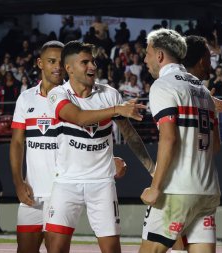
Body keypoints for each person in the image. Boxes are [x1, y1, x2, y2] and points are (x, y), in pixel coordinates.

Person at [10, 41, 136, 253]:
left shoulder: (77, 94)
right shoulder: (30, 98)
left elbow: (99, 134)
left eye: (60, 61)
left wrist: (108, 159)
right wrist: (18, 182)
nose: (57, 66)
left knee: (57, 247)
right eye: (52, 61)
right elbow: (16, 143)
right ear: (40, 63)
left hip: (62, 184)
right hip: (36, 189)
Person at [46, 41, 155, 253]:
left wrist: (152, 168)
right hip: (67, 182)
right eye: (85, 62)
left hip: (102, 183)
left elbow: (130, 135)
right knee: (56, 249)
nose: (92, 67)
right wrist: (116, 110)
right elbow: (79, 117)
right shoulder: (58, 94)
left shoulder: (109, 94)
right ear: (68, 68)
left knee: (112, 250)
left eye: (93, 61)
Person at [139, 29, 221, 253]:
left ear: (159, 55)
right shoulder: (202, 91)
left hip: (176, 191)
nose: (144, 59)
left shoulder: (164, 85)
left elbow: (169, 138)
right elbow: (215, 146)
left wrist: (155, 187)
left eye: (147, 53)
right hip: (207, 191)